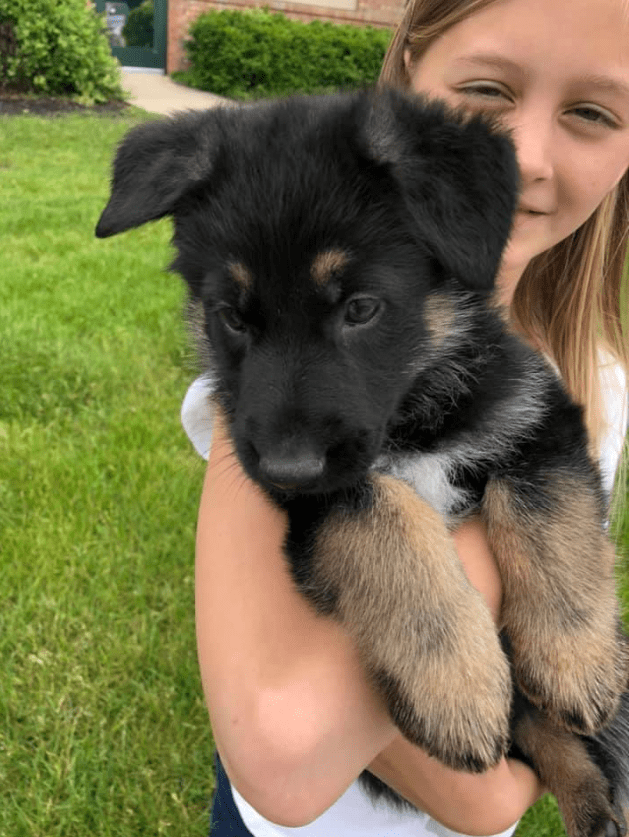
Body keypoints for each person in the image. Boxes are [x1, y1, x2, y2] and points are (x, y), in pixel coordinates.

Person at [181, 0, 629, 833]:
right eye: (487, 89)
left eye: (593, 112)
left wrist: (555, 630)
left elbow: (552, 701)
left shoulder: (599, 377)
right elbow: (284, 754)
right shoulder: (259, 398)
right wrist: (440, 589)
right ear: (411, 65)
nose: (526, 157)